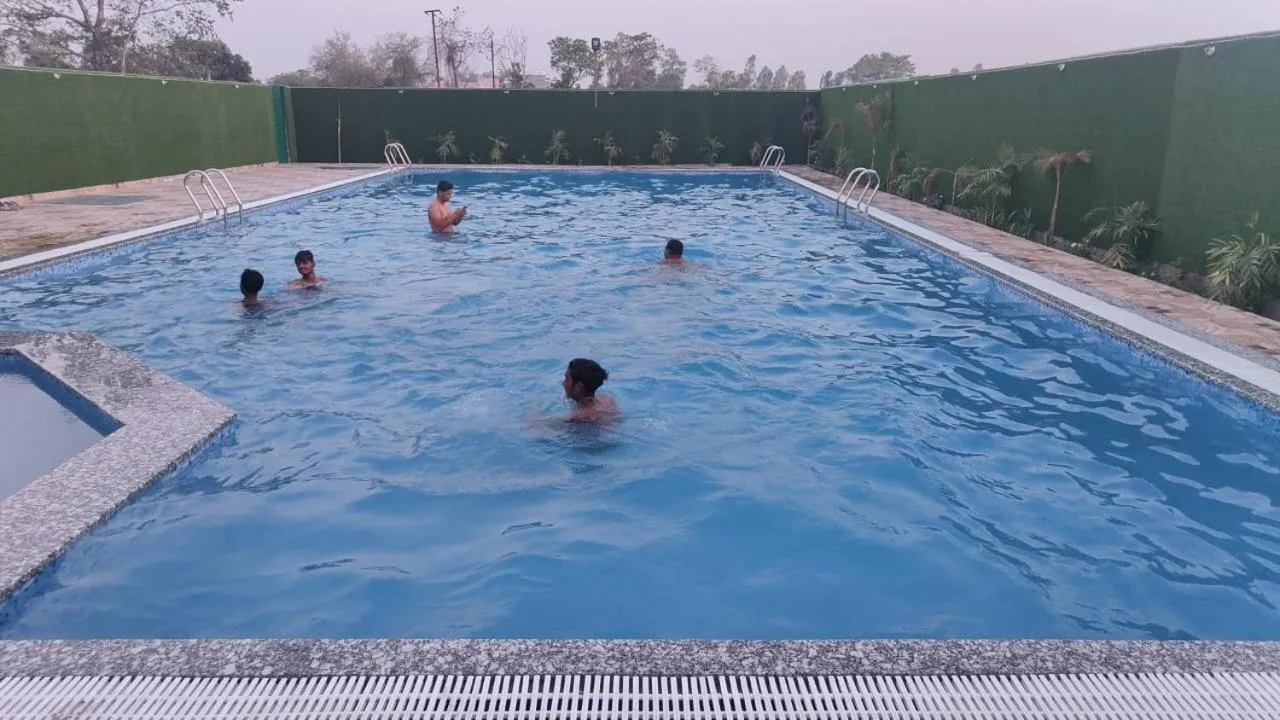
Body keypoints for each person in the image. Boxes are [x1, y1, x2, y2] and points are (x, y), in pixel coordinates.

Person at [563, 358, 618, 422]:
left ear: (579, 387)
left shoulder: (577, 417)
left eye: (567, 380)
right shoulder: (608, 401)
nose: (563, 383)